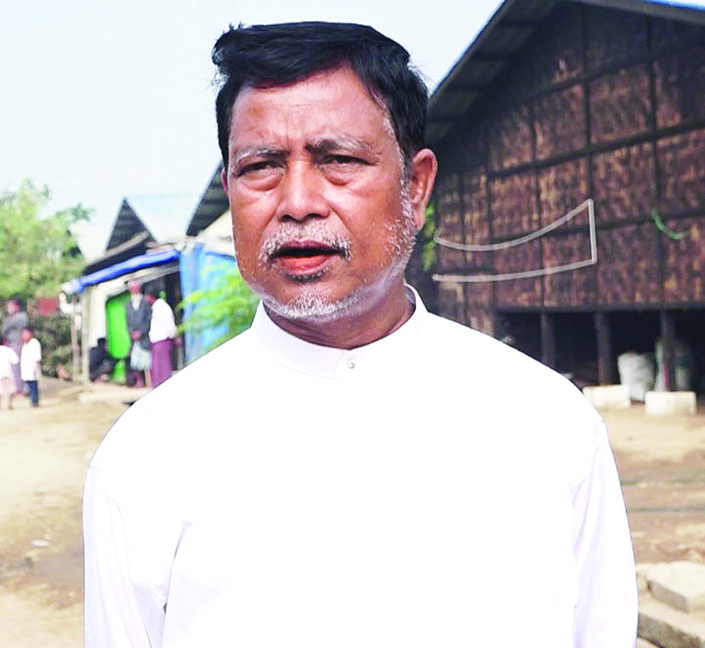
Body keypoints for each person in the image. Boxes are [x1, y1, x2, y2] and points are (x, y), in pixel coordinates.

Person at [84, 22, 637, 647]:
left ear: (416, 187)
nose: (297, 202)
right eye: (260, 166)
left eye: (339, 161)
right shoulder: (146, 458)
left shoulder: (547, 421)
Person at [145, 287, 178, 388]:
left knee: (164, 369)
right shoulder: (155, 307)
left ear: (151, 296)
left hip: (163, 341)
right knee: (157, 369)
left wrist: (174, 336)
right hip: (156, 342)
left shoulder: (162, 307)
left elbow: (169, 324)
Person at [125, 280, 152, 388]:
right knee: (135, 361)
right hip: (134, 339)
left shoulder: (145, 302)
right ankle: (139, 381)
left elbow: (149, 320)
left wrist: (141, 332)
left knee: (147, 362)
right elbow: (127, 321)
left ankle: (149, 381)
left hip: (144, 337)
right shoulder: (128, 304)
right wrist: (132, 332)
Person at [1, 297, 28, 396]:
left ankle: (20, 388)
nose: (9, 308)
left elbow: (5, 327)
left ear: (17, 306)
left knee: (16, 366)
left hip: (17, 343)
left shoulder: (20, 316)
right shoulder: (11, 317)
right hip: (10, 343)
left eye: (11, 305)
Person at [20, 327, 41, 407]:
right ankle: (32, 401)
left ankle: (35, 402)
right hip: (26, 370)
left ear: (31, 334)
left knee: (33, 386)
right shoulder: (25, 344)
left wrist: (36, 369)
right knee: (29, 387)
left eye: (26, 334)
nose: (24, 336)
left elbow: (37, 357)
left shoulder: (34, 343)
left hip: (33, 369)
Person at [0, 337, 19, 409]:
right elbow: (16, 360)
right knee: (12, 389)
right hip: (7, 371)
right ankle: (10, 404)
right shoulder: (8, 350)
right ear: (5, 342)